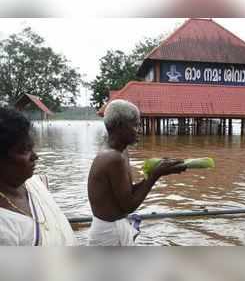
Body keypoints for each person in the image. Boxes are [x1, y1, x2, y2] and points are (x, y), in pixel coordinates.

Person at [87, 99, 186, 246]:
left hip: (113, 227)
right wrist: (155, 175)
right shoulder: (113, 158)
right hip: (109, 233)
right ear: (120, 127)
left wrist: (159, 169)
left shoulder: (121, 151)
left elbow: (127, 193)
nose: (139, 129)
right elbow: (129, 205)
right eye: (135, 125)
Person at [0, 107, 76, 246]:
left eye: (32, 147)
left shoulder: (33, 184)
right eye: (24, 150)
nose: (35, 156)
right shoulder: (4, 228)